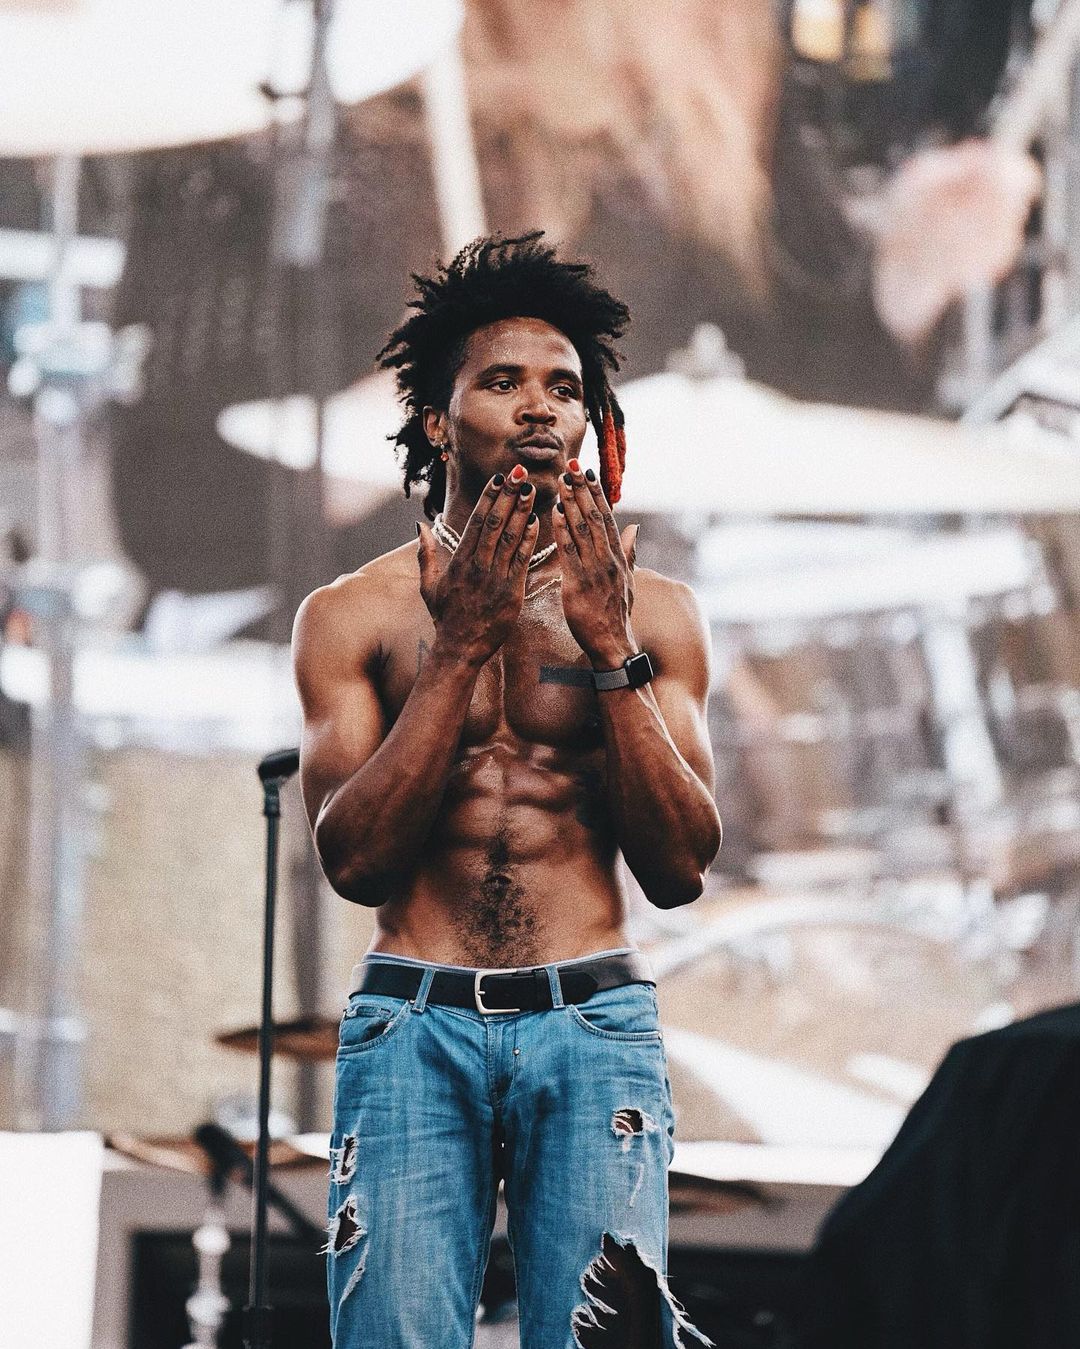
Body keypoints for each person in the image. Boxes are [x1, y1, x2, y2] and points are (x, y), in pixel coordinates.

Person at [292, 233, 722, 1348]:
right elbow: (356, 862)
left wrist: (611, 649)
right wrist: (457, 648)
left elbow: (681, 867)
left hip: (593, 1019)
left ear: (590, 423)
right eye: (502, 381)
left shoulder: (656, 613)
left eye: (564, 388)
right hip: (413, 1018)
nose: (539, 406)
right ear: (439, 421)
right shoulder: (351, 613)